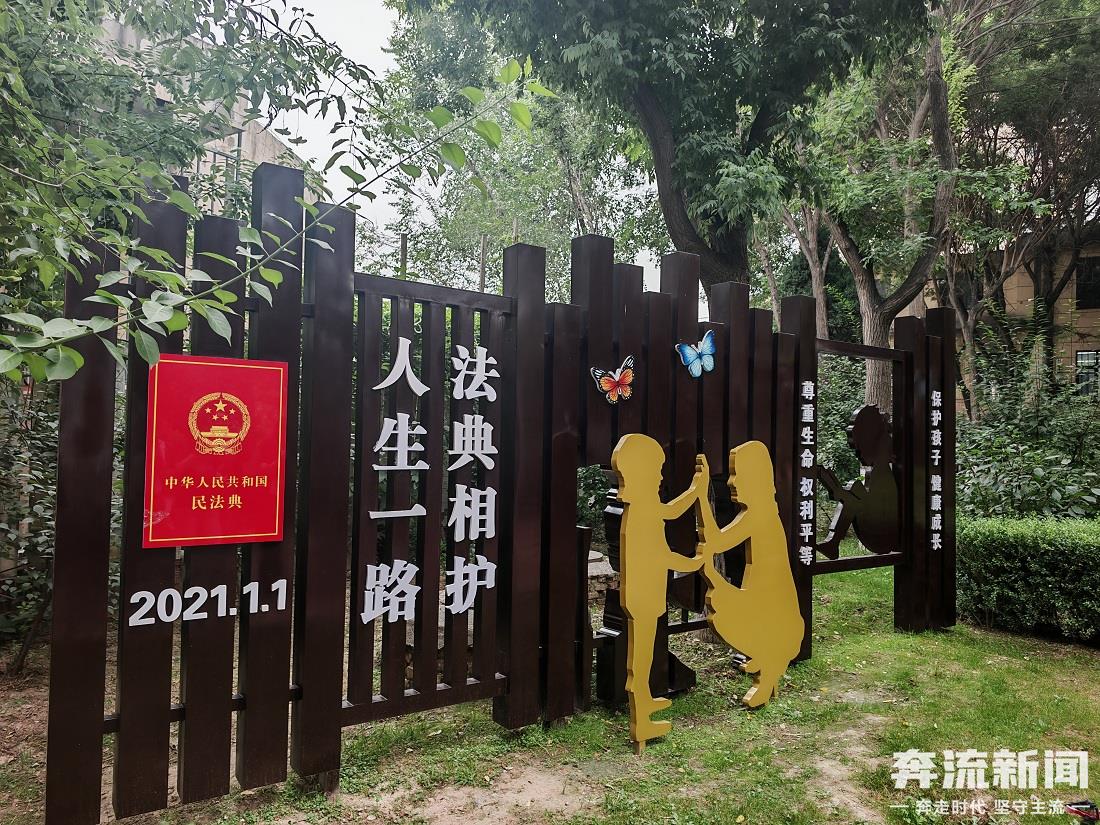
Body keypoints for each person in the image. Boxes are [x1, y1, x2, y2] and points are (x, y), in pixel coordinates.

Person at [611, 433, 708, 750]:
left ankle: (645, 702)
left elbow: (670, 511)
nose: (661, 477)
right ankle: (641, 719)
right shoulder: (641, 513)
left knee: (644, 656)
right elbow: (662, 555)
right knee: (639, 661)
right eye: (656, 470)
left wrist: (696, 490)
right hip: (642, 598)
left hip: (646, 596)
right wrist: (693, 563)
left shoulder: (645, 508)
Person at [696, 440, 805, 708]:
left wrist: (701, 495)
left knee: (730, 612)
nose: (731, 482)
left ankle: (766, 678)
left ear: (755, 479)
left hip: (767, 593)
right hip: (764, 590)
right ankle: (766, 663)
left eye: (737, 474)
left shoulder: (758, 514)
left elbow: (715, 541)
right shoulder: (764, 511)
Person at [817, 405, 899, 559]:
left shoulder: (884, 441)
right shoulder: (880, 450)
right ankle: (832, 543)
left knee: (852, 494)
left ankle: (833, 543)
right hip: (877, 508)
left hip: (883, 527)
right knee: (853, 489)